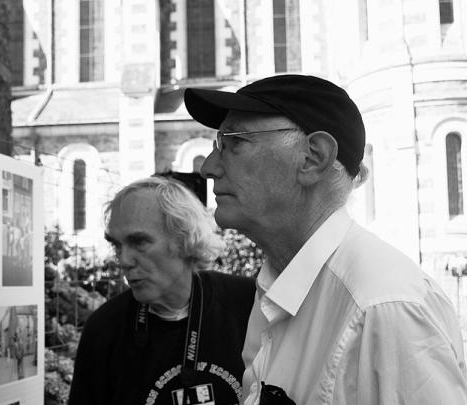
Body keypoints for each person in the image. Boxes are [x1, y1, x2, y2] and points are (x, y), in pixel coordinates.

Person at [185, 74, 467, 404]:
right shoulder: (277, 286)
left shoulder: (384, 306)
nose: (208, 167)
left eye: (234, 142)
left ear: (312, 158)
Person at [68, 176, 255, 405]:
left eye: (139, 242)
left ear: (184, 238)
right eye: (117, 245)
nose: (124, 260)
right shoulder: (105, 329)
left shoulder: (248, 303)